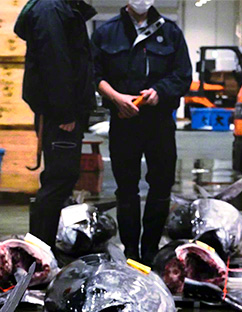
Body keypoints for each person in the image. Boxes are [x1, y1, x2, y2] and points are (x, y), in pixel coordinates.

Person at [92, 0, 191, 263]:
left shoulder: (170, 32)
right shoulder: (106, 33)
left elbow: (183, 75)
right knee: (126, 188)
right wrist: (116, 98)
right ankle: (131, 251)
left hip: (160, 122)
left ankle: (150, 250)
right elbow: (93, 73)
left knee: (161, 186)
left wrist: (160, 92)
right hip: (124, 121)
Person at [15, 0, 98, 247]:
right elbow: (55, 63)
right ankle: (40, 251)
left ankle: (42, 248)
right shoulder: (51, 10)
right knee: (59, 180)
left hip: (62, 112)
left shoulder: (59, 8)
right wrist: (65, 113)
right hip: (60, 116)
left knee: (59, 179)